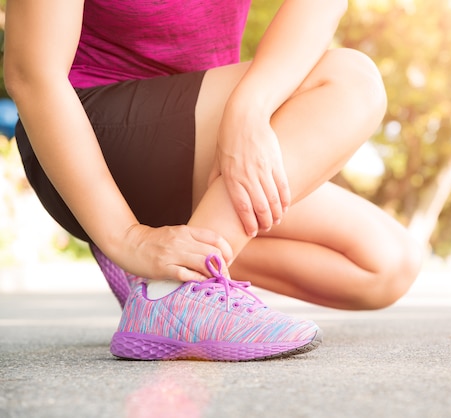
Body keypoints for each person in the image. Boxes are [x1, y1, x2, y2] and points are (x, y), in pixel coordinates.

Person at [4, 0, 422, 361]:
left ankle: (168, 274)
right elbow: (32, 74)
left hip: (195, 137)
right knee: (350, 81)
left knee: (386, 263)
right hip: (89, 136)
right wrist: (126, 237)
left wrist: (248, 111)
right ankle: (173, 298)